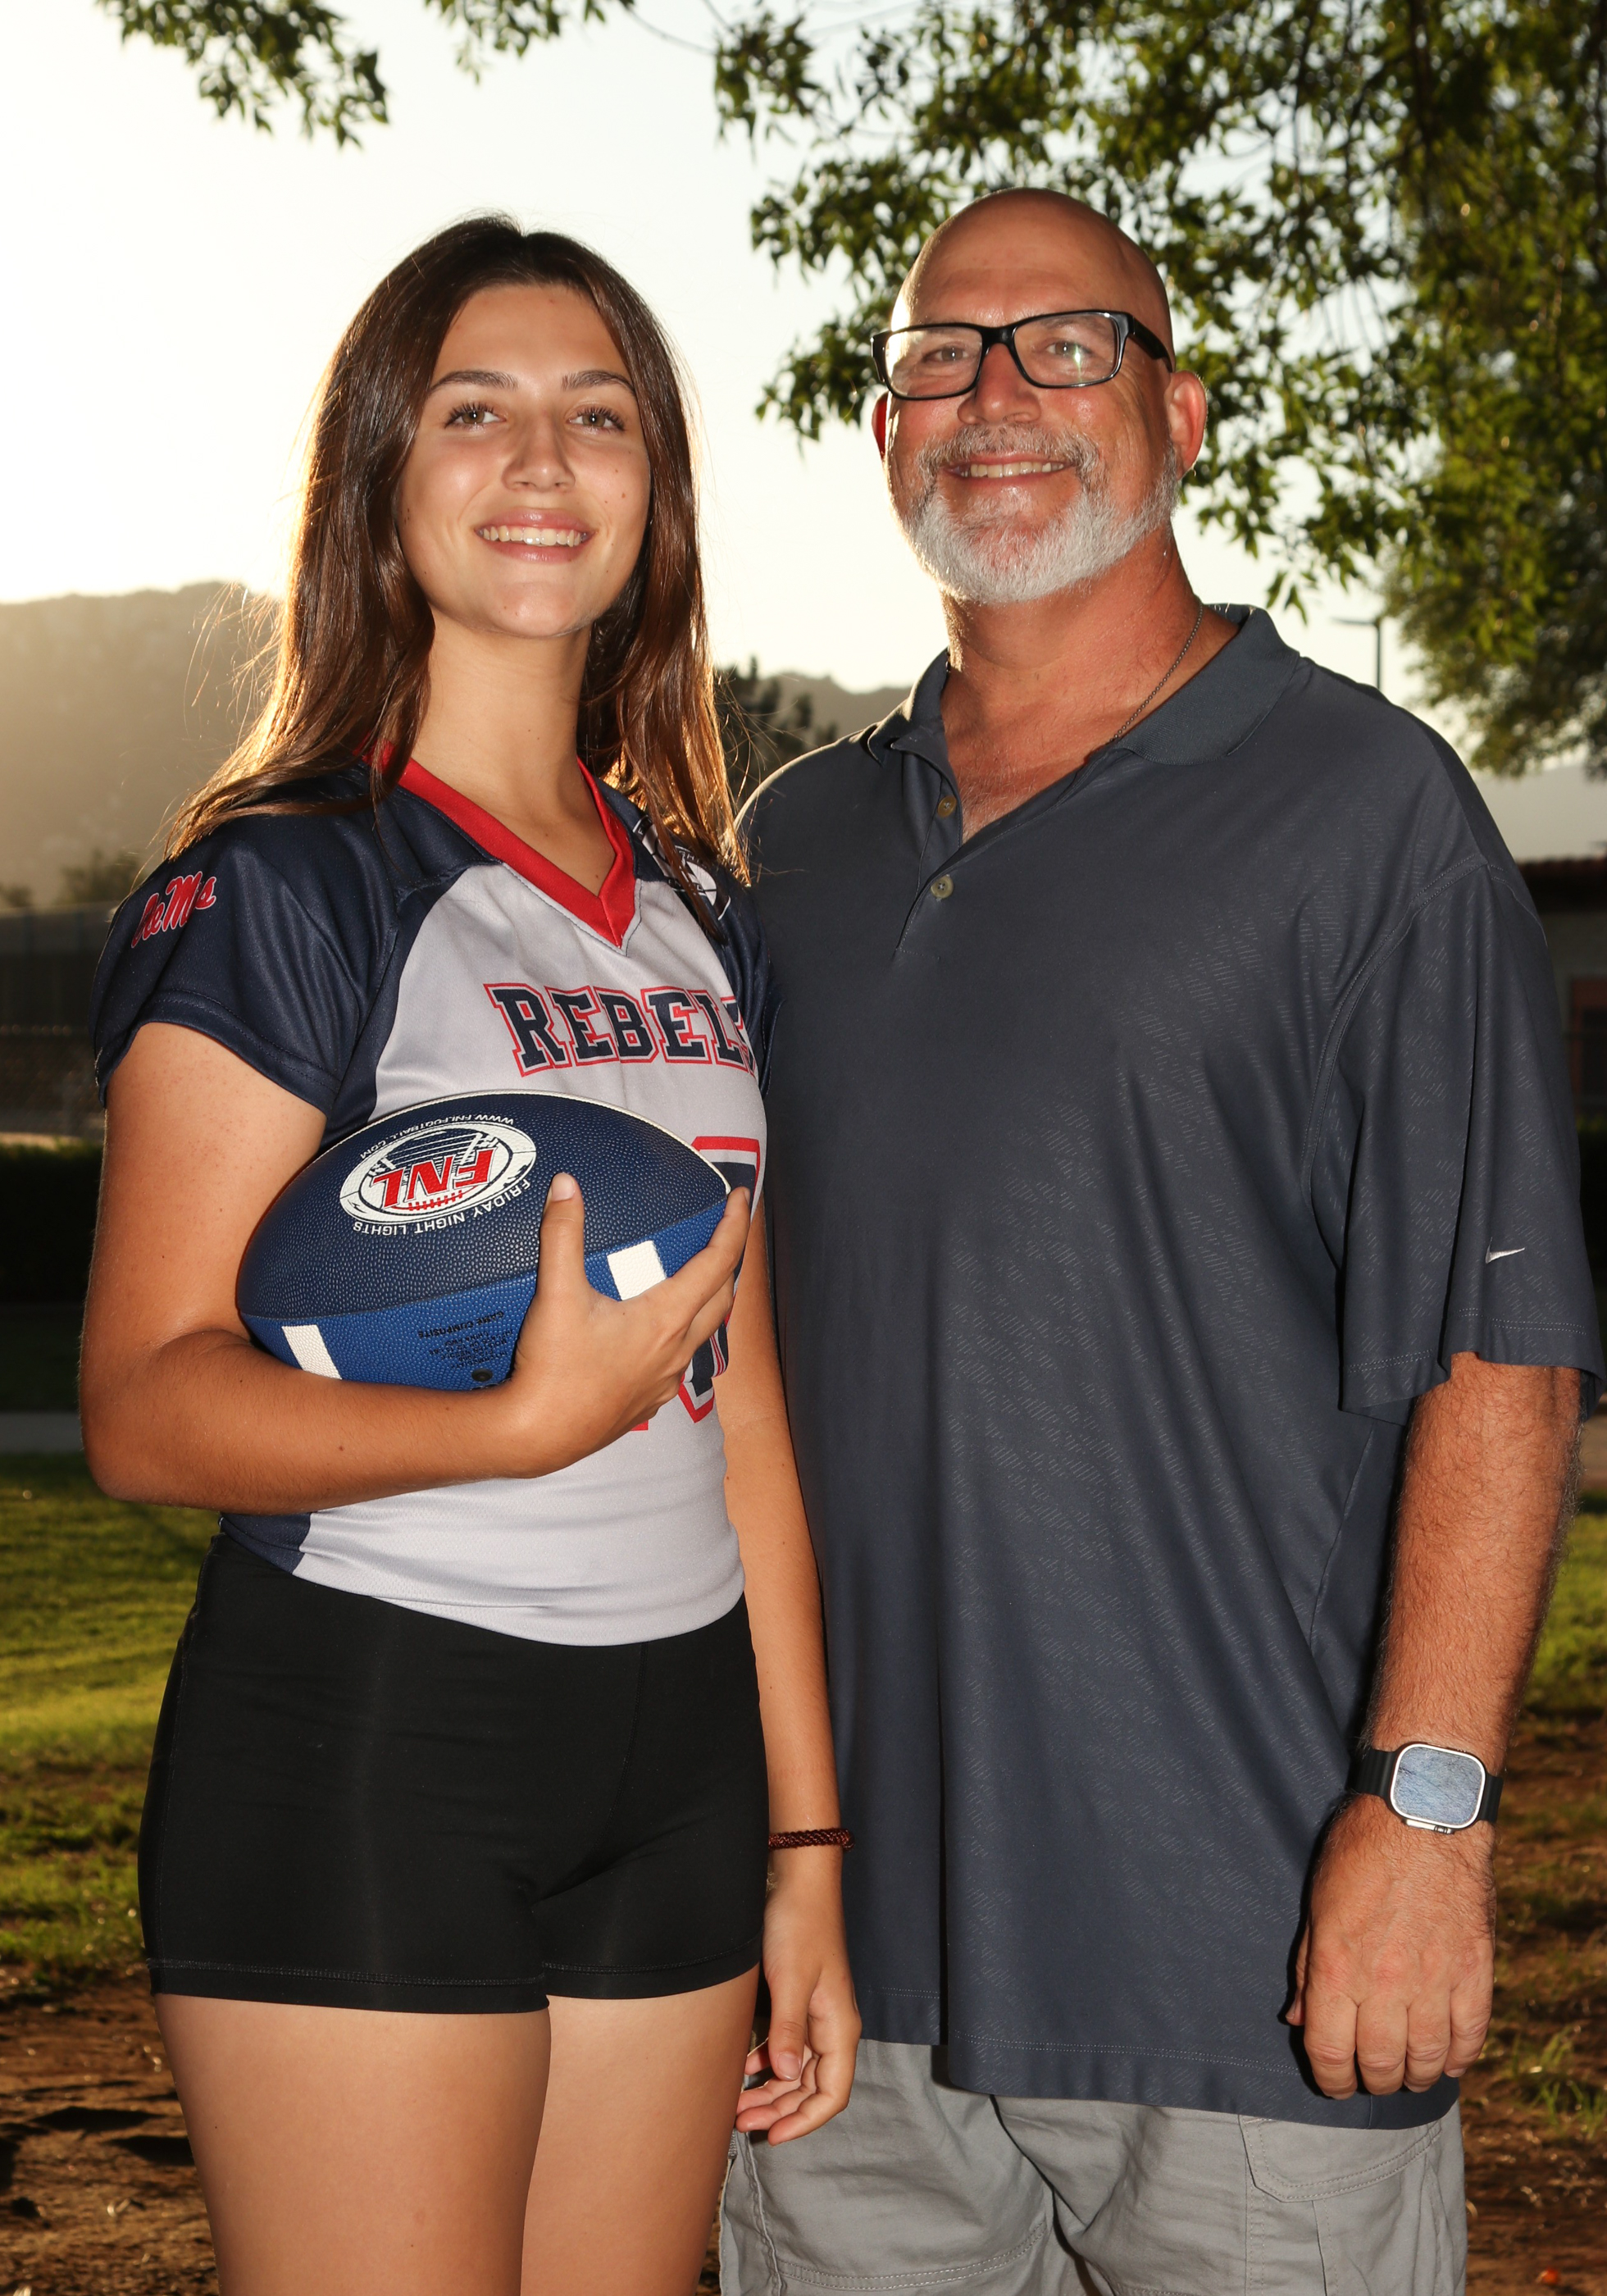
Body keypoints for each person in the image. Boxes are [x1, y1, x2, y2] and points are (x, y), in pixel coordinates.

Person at [721, 189, 1600, 2294]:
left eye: (1067, 343)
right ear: (883, 429)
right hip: (841, 1977)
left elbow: (1501, 1352)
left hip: (1245, 1953)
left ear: (1180, 413)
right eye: (941, 355)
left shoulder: (1366, 811)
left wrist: (1427, 1814)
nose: (996, 396)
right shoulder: (791, 847)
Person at [80, 214, 858, 2296]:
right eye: (473, 411)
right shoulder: (288, 883)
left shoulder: (702, 906)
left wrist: (804, 1839)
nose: (540, 460)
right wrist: (511, 1426)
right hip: (375, 1730)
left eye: (598, 416)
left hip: (682, 1757)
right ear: (380, 474)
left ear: (654, 489)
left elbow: (744, 1410)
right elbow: (146, 1403)